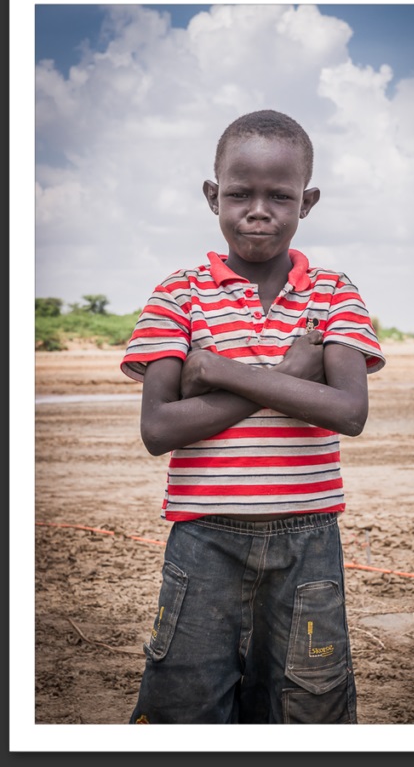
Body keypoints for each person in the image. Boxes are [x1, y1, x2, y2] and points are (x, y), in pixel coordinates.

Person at [120, 109, 385, 724]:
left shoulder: (333, 292)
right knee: (186, 701)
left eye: (280, 196)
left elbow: (348, 410)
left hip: (308, 540)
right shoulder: (178, 293)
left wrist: (218, 371)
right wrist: (293, 376)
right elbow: (159, 428)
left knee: (305, 702)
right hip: (204, 537)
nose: (258, 209)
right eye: (239, 194)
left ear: (308, 201)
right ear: (213, 195)